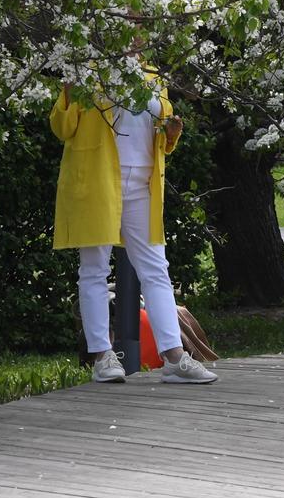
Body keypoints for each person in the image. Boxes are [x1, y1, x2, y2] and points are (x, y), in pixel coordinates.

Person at [51, 54, 218, 385]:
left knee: (156, 268)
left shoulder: (153, 74)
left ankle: (175, 357)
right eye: (132, 26)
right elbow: (62, 127)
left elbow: (162, 136)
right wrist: (69, 91)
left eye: (142, 27)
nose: (138, 33)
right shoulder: (88, 71)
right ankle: (102, 356)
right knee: (94, 268)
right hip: (97, 180)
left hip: (144, 183)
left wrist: (171, 133)